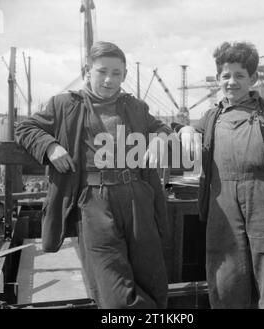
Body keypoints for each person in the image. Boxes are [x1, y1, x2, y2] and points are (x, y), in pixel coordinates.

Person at [15, 41, 173, 309]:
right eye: (102, 72)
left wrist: (160, 138)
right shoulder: (64, 104)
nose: (109, 80)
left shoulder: (135, 107)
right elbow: (25, 128)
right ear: (87, 71)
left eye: (116, 73)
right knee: (114, 294)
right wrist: (50, 146)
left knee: (153, 279)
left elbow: (162, 128)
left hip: (137, 197)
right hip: (94, 201)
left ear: (124, 75)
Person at [178, 41, 264, 308]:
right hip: (222, 203)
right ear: (218, 79)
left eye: (239, 75)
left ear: (252, 78)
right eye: (226, 76)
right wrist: (185, 130)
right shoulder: (211, 116)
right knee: (226, 278)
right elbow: (187, 130)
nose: (232, 82)